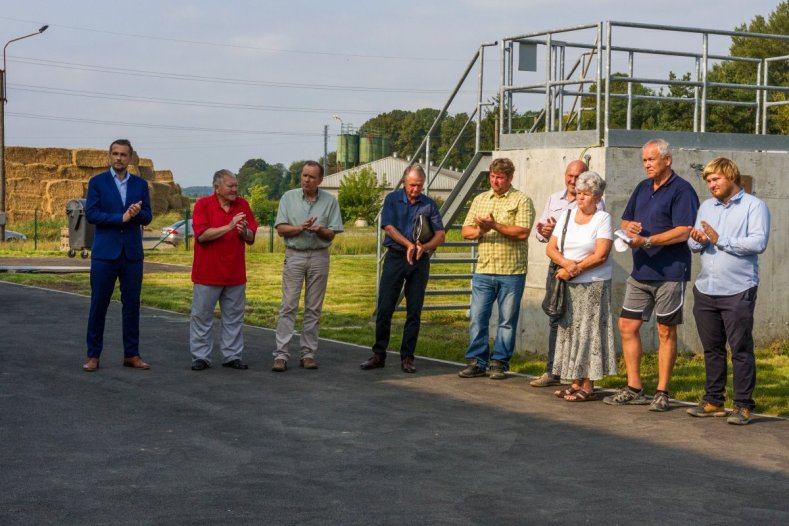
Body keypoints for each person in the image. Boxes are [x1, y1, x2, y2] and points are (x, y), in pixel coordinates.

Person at [603, 139, 699, 411]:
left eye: (651, 160)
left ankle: (662, 392)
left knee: (665, 330)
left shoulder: (682, 190)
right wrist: (629, 226)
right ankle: (634, 387)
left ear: (667, 160)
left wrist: (647, 241)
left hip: (670, 273)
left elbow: (683, 230)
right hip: (641, 271)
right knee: (627, 326)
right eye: (644, 160)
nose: (646, 164)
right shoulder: (642, 187)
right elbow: (625, 221)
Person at [686, 157, 770, 425]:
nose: (711, 185)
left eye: (716, 179)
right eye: (708, 181)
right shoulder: (706, 207)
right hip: (706, 288)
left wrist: (721, 241)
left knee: (741, 349)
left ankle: (743, 405)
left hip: (738, 289)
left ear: (731, 176)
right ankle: (713, 401)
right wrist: (698, 241)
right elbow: (693, 241)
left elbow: (758, 242)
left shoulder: (754, 206)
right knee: (712, 349)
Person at [360, 165, 445, 373]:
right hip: (396, 257)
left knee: (414, 310)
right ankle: (379, 354)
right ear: (404, 182)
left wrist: (423, 247)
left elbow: (440, 235)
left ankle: (407, 357)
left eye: (419, 186)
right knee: (385, 307)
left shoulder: (429, 204)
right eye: (412, 185)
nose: (416, 189)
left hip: (419, 260)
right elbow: (388, 227)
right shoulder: (392, 199)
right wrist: (408, 245)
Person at [530, 159, 605, 387]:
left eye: (579, 177)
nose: (573, 181)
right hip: (558, 265)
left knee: (581, 324)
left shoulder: (597, 204)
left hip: (581, 267)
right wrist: (544, 231)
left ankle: (579, 378)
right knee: (556, 317)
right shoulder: (554, 199)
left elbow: (593, 240)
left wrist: (573, 266)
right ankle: (553, 370)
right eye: (570, 176)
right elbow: (544, 237)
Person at [458, 157, 535, 380]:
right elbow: (465, 231)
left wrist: (494, 226)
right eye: (492, 176)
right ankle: (476, 361)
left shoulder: (522, 200)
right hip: (484, 269)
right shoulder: (480, 199)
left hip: (511, 271)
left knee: (507, 321)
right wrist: (481, 231)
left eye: (500, 177)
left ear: (510, 178)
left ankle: (499, 362)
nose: (495, 181)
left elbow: (522, 232)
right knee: (478, 318)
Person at [82, 139, 152, 372]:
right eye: (115, 154)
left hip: (131, 254)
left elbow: (148, 216)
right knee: (99, 304)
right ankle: (93, 355)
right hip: (105, 253)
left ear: (130, 158)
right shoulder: (97, 183)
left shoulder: (140, 185)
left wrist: (136, 213)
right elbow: (91, 214)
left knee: (131, 304)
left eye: (123, 154)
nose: (119, 158)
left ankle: (131, 354)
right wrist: (119, 218)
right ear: (109, 156)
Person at [546, 171, 617, 401]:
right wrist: (566, 265)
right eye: (578, 193)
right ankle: (575, 380)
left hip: (593, 285)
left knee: (589, 332)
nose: (580, 198)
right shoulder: (566, 215)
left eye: (586, 194)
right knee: (570, 332)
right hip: (569, 283)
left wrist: (574, 269)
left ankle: (588, 385)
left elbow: (601, 254)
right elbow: (551, 248)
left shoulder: (602, 218)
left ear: (597, 197)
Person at [272, 161, 344, 372]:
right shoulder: (288, 197)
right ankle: (281, 354)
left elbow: (332, 233)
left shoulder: (330, 201)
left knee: (313, 307)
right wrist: (300, 228)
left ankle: (308, 353)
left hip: (320, 255)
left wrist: (320, 230)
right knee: (289, 305)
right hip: (294, 254)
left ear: (320, 180)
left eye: (311, 177)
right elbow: (281, 229)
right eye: (304, 175)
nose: (306, 180)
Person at [189, 169, 257, 371]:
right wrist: (229, 226)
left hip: (235, 273)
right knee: (201, 316)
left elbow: (251, 236)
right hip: (207, 273)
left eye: (236, 185)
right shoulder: (203, 205)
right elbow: (202, 236)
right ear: (217, 188)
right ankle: (201, 356)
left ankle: (232, 355)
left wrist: (244, 231)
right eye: (231, 186)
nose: (235, 189)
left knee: (234, 316)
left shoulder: (243, 205)